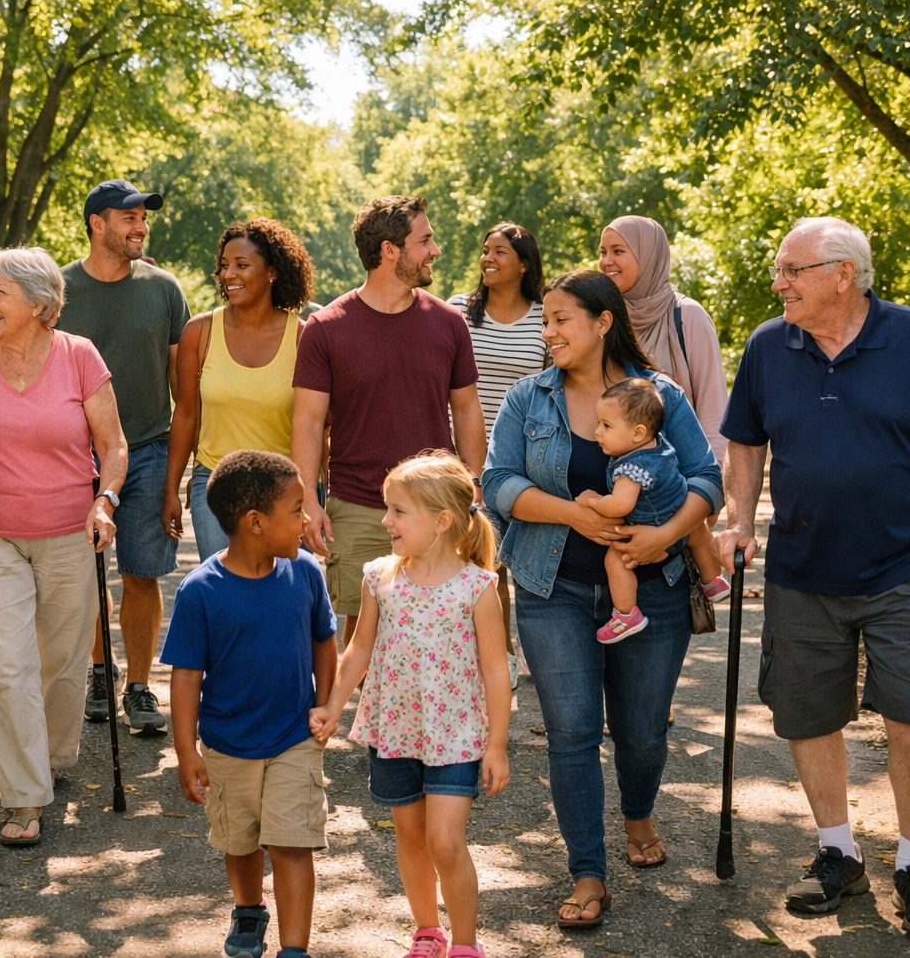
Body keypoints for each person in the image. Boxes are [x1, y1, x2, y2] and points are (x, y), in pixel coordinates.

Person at [714, 217, 910, 937]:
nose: (779, 283)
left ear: (843, 274)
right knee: (808, 716)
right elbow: (744, 440)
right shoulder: (769, 346)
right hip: (804, 570)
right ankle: (837, 852)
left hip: (909, 566)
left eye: (791, 270)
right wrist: (740, 521)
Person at [481, 270, 722, 926]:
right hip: (551, 586)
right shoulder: (529, 400)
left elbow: (706, 477)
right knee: (572, 732)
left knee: (642, 734)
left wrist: (665, 536)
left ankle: (638, 812)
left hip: (656, 590)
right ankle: (588, 874)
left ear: (603, 322)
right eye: (546, 321)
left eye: (562, 319)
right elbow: (496, 481)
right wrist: (572, 514)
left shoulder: (659, 396)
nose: (549, 331)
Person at [0, 247, 129, 846]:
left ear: (39, 305)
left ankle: (54, 757)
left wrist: (106, 500)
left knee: (64, 665)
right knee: (8, 667)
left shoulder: (78, 357)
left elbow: (114, 446)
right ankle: (23, 797)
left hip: (70, 531)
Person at [311, 452, 511, 958]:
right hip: (396, 729)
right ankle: (427, 930)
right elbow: (358, 650)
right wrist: (335, 705)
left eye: (398, 511)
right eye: (387, 509)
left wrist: (498, 746)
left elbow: (494, 670)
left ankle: (465, 944)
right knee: (412, 836)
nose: (386, 521)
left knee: (446, 841)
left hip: (457, 735)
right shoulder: (379, 576)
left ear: (441, 521)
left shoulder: (478, 587)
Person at [163, 450, 337, 958]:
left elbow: (325, 639)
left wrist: (325, 704)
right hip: (227, 744)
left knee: (291, 842)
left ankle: (294, 949)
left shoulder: (305, 573)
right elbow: (185, 678)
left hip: (293, 739)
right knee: (239, 842)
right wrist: (186, 750)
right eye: (297, 509)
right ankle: (247, 909)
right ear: (255, 523)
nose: (306, 520)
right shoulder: (201, 592)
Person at [293, 195, 486, 645]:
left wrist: (473, 483)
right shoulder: (326, 327)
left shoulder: (449, 323)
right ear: (389, 250)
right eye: (425, 240)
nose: (434, 250)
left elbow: (467, 408)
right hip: (357, 507)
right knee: (364, 641)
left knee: (441, 635)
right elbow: (306, 421)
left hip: (439, 508)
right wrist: (308, 501)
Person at [57, 178, 191, 734]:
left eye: (143, 219)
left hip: (149, 449)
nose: (141, 227)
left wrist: (175, 480)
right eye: (129, 218)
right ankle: (97, 672)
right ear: (97, 224)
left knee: (142, 573)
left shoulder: (163, 288)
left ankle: (138, 687)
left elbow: (183, 387)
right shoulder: (56, 289)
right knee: (85, 572)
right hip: (72, 455)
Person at [162, 218, 315, 560]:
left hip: (283, 492)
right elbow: (186, 414)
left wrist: (313, 498)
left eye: (242, 265)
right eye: (224, 266)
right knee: (225, 598)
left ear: (272, 272)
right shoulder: (199, 333)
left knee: (275, 599)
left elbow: (320, 424)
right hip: (214, 488)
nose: (228, 274)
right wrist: (170, 490)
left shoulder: (303, 338)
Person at [448, 222, 547, 683]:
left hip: (518, 458)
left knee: (502, 558)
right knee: (460, 554)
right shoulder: (458, 313)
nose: (488, 258)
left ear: (523, 263)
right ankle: (456, 649)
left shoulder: (546, 317)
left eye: (500, 252)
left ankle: (504, 650)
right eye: (485, 251)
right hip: (456, 454)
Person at [582, 378, 730, 644]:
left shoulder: (630, 468)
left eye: (606, 425)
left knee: (615, 562)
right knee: (700, 536)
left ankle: (627, 614)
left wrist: (592, 502)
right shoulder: (659, 445)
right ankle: (713, 580)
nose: (597, 432)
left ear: (637, 432)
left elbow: (620, 505)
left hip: (649, 527)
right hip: (681, 515)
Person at [598, 216, 729, 461]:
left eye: (618, 251)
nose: (606, 261)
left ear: (649, 256)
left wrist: (709, 486)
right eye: (603, 252)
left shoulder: (687, 316)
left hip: (677, 479)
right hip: (609, 483)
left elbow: (713, 409)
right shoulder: (603, 319)